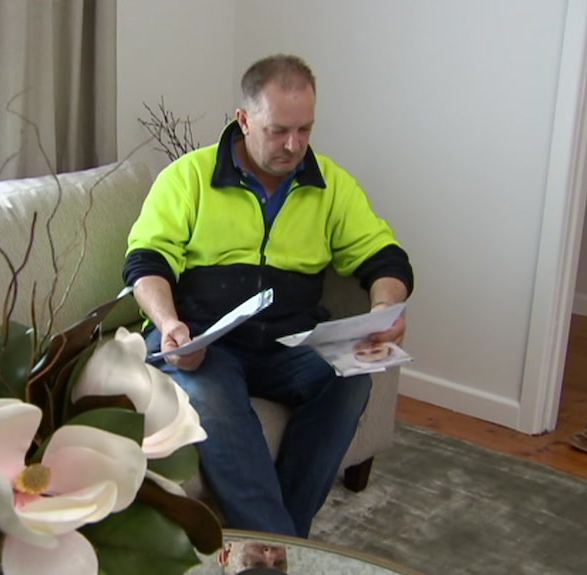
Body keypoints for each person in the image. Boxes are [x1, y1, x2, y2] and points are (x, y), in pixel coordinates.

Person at [122, 54, 413, 538]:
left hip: (290, 342)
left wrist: (386, 307)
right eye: (279, 131)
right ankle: (282, 549)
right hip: (204, 339)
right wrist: (170, 325)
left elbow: (384, 256)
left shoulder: (331, 184)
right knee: (211, 397)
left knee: (352, 378)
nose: (294, 145)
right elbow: (146, 261)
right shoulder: (187, 177)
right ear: (244, 119)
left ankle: (278, 542)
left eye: (305, 130)